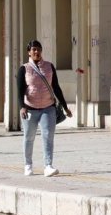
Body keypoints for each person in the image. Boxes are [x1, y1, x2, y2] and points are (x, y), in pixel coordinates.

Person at [17, 40, 72, 177]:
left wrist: (65, 107)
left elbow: (56, 88)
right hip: (30, 108)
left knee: (48, 136)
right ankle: (28, 165)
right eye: (34, 49)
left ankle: (48, 166)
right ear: (29, 52)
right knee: (29, 137)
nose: (36, 52)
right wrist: (22, 107)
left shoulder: (49, 66)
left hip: (48, 108)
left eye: (39, 49)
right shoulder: (24, 69)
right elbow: (19, 90)